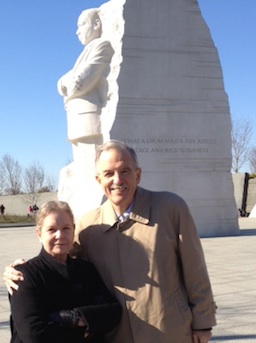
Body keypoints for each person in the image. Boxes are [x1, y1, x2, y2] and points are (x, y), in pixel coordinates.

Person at [5, 140, 216, 343]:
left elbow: (195, 269)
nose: (117, 180)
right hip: (117, 335)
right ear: (99, 180)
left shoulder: (171, 208)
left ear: (138, 175)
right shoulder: (89, 226)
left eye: (124, 171)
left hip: (169, 331)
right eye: (108, 174)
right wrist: (17, 270)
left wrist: (203, 322)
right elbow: (58, 254)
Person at [8, 200, 121, 343]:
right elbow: (33, 334)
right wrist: (83, 333)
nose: (59, 235)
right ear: (39, 234)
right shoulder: (25, 275)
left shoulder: (86, 269)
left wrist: (77, 317)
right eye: (51, 229)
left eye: (66, 228)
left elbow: (113, 312)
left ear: (73, 230)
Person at [57, 8, 114, 155]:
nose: (77, 31)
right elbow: (62, 83)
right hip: (78, 119)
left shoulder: (102, 46)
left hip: (89, 120)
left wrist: (66, 80)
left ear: (96, 24)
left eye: (81, 25)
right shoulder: (87, 51)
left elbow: (80, 82)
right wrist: (64, 81)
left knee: (92, 169)